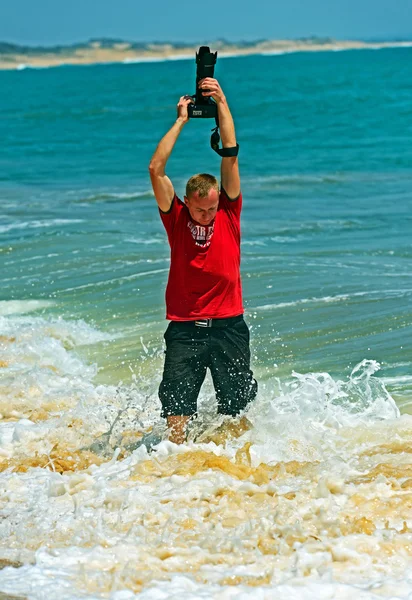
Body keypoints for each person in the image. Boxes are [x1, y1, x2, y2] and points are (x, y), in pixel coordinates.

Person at [148, 77, 257, 444]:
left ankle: (232, 467)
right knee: (176, 407)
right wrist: (181, 121)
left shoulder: (228, 211)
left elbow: (230, 152)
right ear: (188, 202)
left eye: (212, 208)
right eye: (202, 209)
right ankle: (175, 469)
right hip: (185, 327)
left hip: (229, 325)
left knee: (236, 408)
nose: (208, 214)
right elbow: (156, 170)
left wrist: (222, 102)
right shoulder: (176, 218)